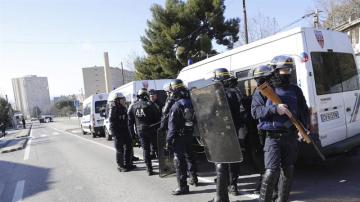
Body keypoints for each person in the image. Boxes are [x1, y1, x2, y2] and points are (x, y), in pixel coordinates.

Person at [253, 55, 309, 202]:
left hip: (290, 137)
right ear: (275, 70)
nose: (287, 72)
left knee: (288, 170)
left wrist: (304, 129)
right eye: (284, 69)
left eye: (289, 69)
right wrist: (274, 109)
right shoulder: (263, 90)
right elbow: (255, 112)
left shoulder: (295, 90)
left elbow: (304, 110)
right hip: (273, 137)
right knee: (271, 172)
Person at [212, 68, 247, 201]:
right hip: (234, 131)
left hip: (222, 132)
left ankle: (225, 186)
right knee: (233, 159)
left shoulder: (217, 95)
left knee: (222, 160)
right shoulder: (235, 92)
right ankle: (233, 185)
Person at [167, 79, 198, 195]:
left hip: (179, 138)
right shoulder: (191, 102)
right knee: (190, 156)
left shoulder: (176, 106)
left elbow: (172, 126)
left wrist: (168, 140)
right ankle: (194, 178)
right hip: (189, 134)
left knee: (179, 162)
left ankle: (182, 186)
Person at [250, 65, 276, 195]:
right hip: (271, 130)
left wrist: (272, 110)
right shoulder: (261, 91)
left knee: (268, 162)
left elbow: (255, 112)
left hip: (269, 131)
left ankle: (270, 189)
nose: (257, 82)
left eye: (259, 79)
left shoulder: (262, 91)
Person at [128, 88, 161, 176]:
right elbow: (157, 118)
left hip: (140, 131)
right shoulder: (150, 105)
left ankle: (149, 169)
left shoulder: (133, 106)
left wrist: (133, 134)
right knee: (157, 149)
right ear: (146, 95)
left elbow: (130, 122)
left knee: (145, 150)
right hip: (152, 130)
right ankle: (162, 167)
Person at [108, 92, 136, 172]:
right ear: (117, 100)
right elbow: (112, 123)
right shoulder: (113, 110)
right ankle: (120, 166)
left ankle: (128, 164)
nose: (124, 100)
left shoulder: (123, 108)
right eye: (122, 99)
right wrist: (115, 135)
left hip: (125, 131)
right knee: (120, 150)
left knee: (129, 147)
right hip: (118, 133)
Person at [148, 89, 162, 159]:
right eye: (151, 96)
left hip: (159, 124)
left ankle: (158, 153)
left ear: (156, 96)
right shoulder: (148, 104)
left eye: (153, 96)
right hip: (151, 125)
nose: (152, 97)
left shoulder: (160, 103)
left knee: (159, 140)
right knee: (152, 141)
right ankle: (153, 152)